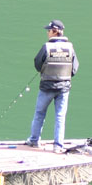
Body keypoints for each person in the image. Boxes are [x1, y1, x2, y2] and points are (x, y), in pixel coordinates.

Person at [26, 20, 79, 152]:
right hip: (64, 88)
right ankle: (58, 146)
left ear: (55, 31)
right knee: (60, 116)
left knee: (39, 114)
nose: (47, 33)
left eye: (49, 30)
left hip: (46, 88)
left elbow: (37, 64)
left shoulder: (46, 47)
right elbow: (75, 68)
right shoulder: (70, 48)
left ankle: (34, 141)